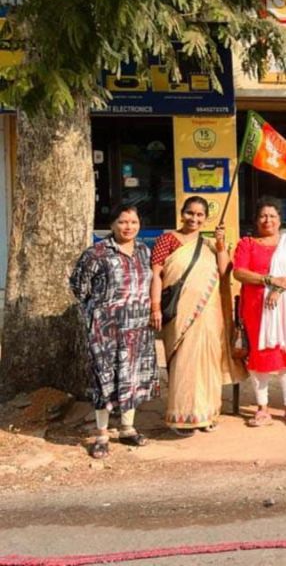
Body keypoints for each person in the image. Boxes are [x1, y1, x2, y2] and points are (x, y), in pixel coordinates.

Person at [70, 205, 158, 459]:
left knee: (131, 375)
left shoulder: (144, 251)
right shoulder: (96, 253)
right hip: (105, 331)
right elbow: (78, 287)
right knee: (104, 379)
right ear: (112, 225)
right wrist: (99, 310)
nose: (128, 227)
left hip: (138, 328)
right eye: (122, 222)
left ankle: (128, 428)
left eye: (133, 222)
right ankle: (102, 435)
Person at [150, 196, 242, 436]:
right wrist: (155, 306)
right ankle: (181, 417)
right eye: (190, 213)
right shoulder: (167, 240)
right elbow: (156, 275)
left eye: (200, 215)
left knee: (208, 363)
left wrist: (221, 245)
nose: (194, 218)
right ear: (182, 214)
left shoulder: (210, 244)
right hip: (179, 313)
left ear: (206, 218)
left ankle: (207, 414)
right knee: (183, 362)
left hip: (209, 315)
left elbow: (224, 271)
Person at [233, 199, 286, 427]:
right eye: (263, 216)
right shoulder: (247, 243)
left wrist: (282, 285)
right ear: (256, 220)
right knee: (261, 356)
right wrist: (267, 280)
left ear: (280, 220)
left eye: (272, 216)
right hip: (256, 309)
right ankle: (262, 408)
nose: (267, 220)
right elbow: (239, 272)